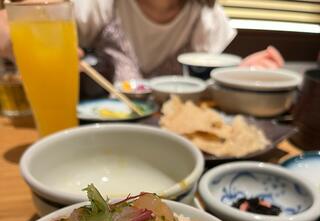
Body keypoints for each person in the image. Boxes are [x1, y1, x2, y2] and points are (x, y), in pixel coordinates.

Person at [0, 0, 284, 89]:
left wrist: (244, 72)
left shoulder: (208, 18)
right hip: (104, 132)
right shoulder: (103, 5)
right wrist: (23, 45)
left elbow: (204, 86)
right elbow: (7, 21)